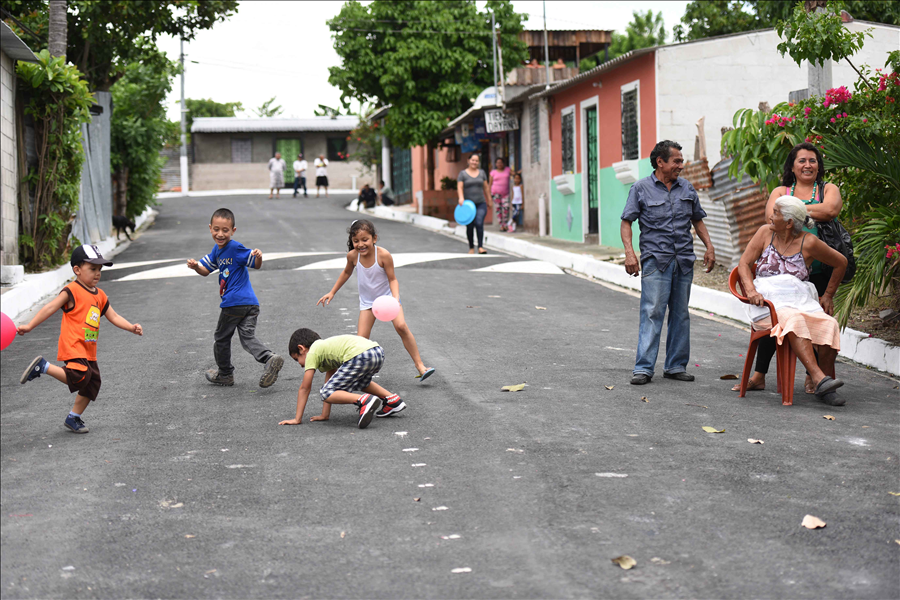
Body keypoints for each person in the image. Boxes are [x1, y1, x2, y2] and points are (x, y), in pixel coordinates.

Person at [734, 142, 844, 395]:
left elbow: (830, 210)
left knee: (816, 319)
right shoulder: (775, 210)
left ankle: (816, 380)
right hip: (773, 283)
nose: (807, 165)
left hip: (811, 273)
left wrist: (795, 210)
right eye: (802, 160)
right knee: (785, 316)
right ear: (792, 166)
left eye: (812, 160)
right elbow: (769, 219)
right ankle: (774, 375)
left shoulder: (827, 189)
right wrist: (797, 212)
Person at [16, 244, 143, 434]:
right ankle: (43, 366)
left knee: (93, 383)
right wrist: (29, 325)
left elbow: (114, 316)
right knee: (80, 376)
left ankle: (73, 417)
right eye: (92, 268)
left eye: (99, 269)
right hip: (73, 344)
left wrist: (131, 327)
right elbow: (50, 308)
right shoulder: (71, 291)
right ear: (77, 270)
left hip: (88, 349)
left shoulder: (100, 295)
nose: (97, 273)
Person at [621, 140, 716, 385]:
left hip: (683, 259)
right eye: (676, 161)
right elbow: (626, 222)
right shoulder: (640, 188)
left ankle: (675, 366)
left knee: (681, 314)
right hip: (656, 259)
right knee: (652, 312)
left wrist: (710, 246)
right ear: (660, 162)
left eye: (681, 161)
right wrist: (630, 254)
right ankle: (643, 368)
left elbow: (698, 220)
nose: (681, 166)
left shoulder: (687, 188)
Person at [317, 219, 435, 390]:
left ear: (374, 238)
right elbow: (346, 272)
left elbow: (392, 279)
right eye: (356, 241)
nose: (360, 244)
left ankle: (420, 366)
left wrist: (395, 298)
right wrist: (332, 291)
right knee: (360, 341)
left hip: (388, 300)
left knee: (401, 326)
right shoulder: (352, 256)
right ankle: (358, 376)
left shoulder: (383, 255)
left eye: (365, 239)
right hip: (368, 304)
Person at [186, 208, 284, 388]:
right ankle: (269, 358)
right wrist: (195, 267)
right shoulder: (217, 251)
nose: (220, 234)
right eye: (216, 229)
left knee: (221, 338)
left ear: (233, 231)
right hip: (251, 304)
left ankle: (225, 374)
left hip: (234, 304)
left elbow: (255, 264)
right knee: (247, 337)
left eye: (225, 230)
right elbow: (205, 270)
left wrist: (259, 257)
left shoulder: (235, 247)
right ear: (210, 228)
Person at [278, 328, 404, 428]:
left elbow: (305, 388)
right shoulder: (326, 350)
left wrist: (297, 419)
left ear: (302, 348)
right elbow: (330, 382)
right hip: (376, 352)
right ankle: (392, 400)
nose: (300, 365)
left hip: (359, 355)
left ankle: (363, 400)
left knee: (325, 392)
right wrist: (325, 415)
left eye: (297, 359)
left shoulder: (312, 352)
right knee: (359, 383)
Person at [457, 154, 492, 254]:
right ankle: (471, 247)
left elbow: (486, 187)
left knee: (479, 222)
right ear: (468, 161)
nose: (474, 162)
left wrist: (489, 199)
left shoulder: (482, 173)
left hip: (480, 203)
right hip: (468, 205)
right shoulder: (462, 174)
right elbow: (460, 187)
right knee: (470, 226)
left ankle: (480, 247)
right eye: (473, 160)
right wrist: (461, 197)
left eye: (476, 161)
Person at [489, 158, 512, 232]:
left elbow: (514, 174)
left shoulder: (507, 170)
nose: (499, 164)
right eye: (498, 163)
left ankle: (505, 224)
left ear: (503, 163)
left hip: (505, 193)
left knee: (506, 209)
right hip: (495, 193)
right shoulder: (493, 172)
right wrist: (489, 194)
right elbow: (490, 184)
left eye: (501, 162)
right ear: (495, 164)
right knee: (498, 209)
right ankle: (501, 225)